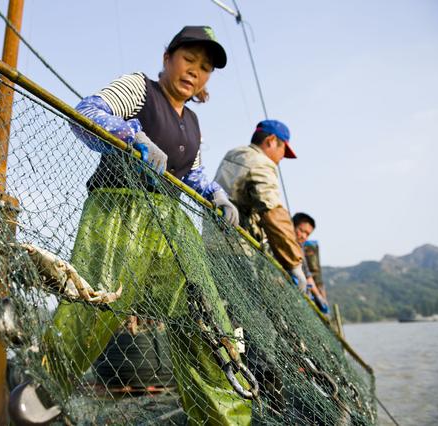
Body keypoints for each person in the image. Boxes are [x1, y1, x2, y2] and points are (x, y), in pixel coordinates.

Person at [40, 26, 252, 425]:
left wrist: (217, 196)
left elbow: (194, 175)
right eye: (189, 59)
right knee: (95, 304)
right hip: (117, 209)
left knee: (204, 317)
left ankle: (224, 417)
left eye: (205, 68)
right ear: (168, 57)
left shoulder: (192, 123)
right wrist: (130, 135)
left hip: (168, 223)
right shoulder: (140, 88)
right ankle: (45, 385)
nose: (195, 71)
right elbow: (85, 112)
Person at [214, 120, 308, 291]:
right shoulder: (260, 162)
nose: (281, 158)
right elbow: (272, 212)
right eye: (283, 150)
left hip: (212, 238)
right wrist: (295, 264)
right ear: (271, 140)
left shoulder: (234, 153)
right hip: (237, 249)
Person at [292, 212, 329, 313]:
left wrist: (319, 297)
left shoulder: (301, 250)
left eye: (307, 234)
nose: (304, 236)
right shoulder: (281, 241)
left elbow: (308, 276)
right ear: (291, 226)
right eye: (301, 230)